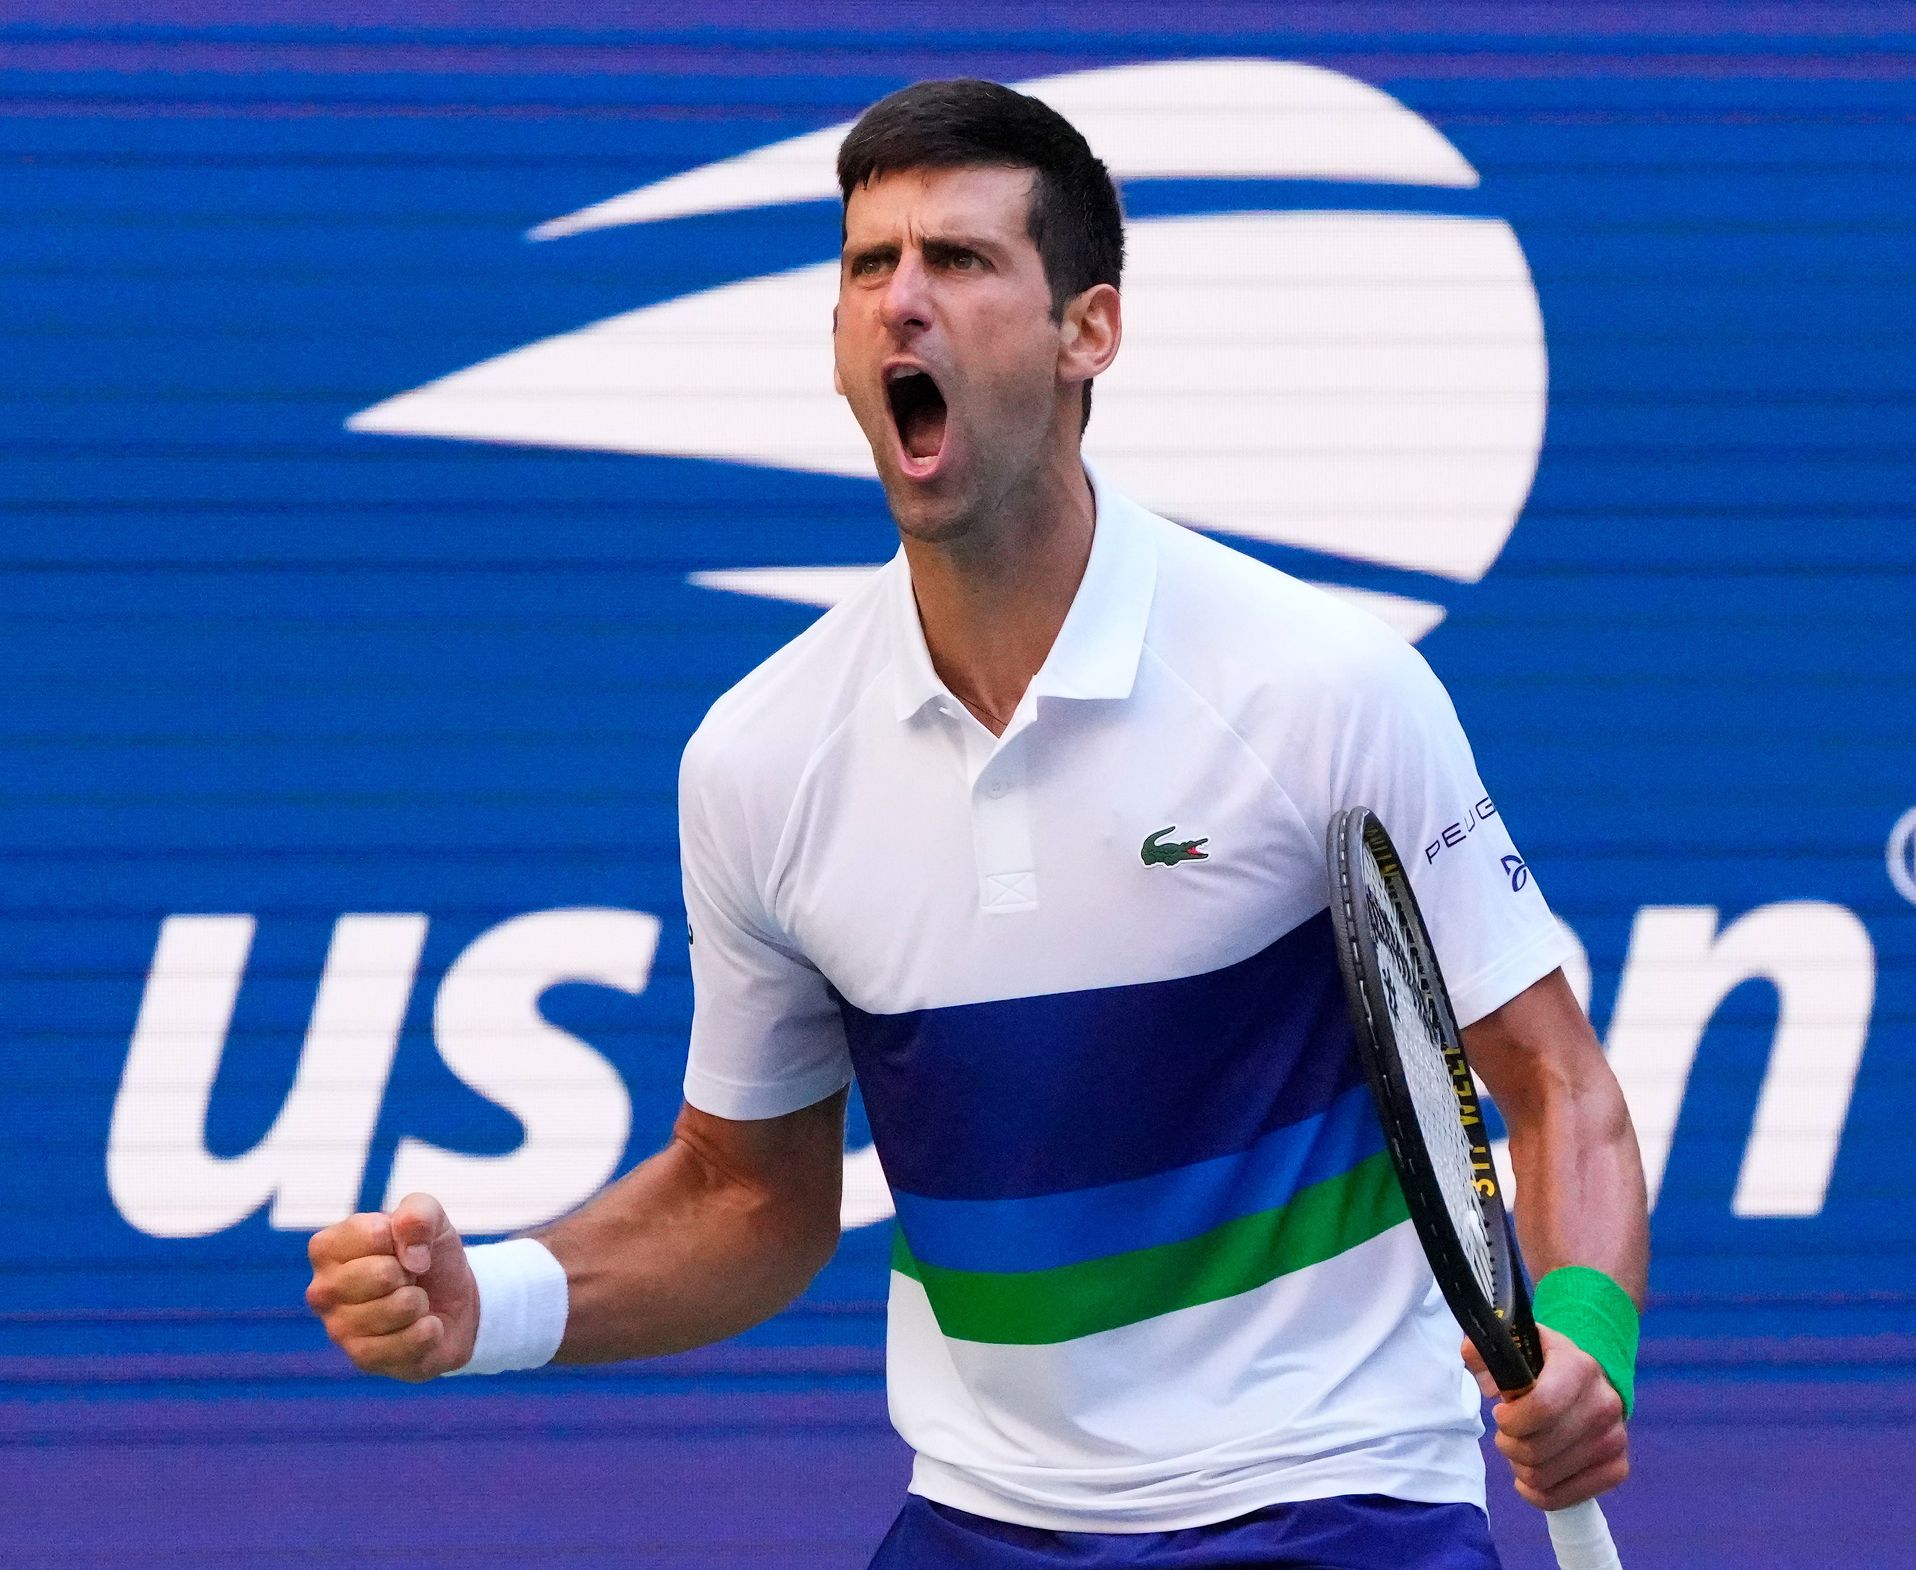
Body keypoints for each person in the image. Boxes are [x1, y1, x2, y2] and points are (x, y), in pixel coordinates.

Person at [305, 78, 1648, 1569]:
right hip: (987, 1521)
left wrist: (1585, 1337)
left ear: (1089, 331)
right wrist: (496, 1304)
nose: (901, 300)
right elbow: (749, 1194)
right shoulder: (759, 760)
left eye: (958, 259)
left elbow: (1558, 1087)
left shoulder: (1322, 688)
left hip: (1329, 1498)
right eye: (867, 265)